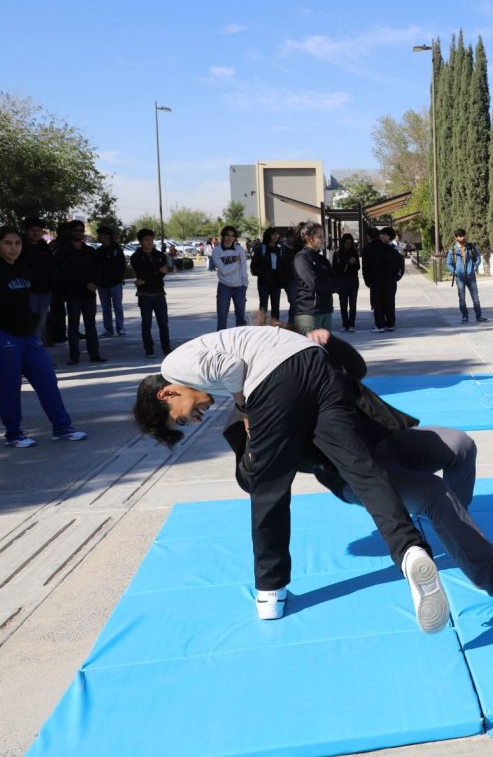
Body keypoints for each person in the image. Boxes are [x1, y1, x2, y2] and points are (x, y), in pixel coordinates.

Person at [132, 326, 451, 631]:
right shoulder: (202, 362)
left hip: (277, 375)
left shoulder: (173, 365)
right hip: (319, 365)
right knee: (362, 470)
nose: (194, 421)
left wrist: (245, 408)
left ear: (166, 393)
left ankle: (270, 591)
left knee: (268, 487)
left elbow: (232, 367)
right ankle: (410, 550)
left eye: (180, 420)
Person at [219, 334, 493, 611]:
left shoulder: (310, 361)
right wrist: (254, 439)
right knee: (433, 492)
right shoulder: (254, 405)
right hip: (359, 475)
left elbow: (356, 369)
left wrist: (331, 342)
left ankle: (455, 528)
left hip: (389, 440)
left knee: (461, 445)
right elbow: (253, 480)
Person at [0, 226, 87, 447]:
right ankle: (13, 434)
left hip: (27, 334)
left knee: (47, 380)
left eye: (17, 243)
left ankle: (62, 428)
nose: (14, 248)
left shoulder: (23, 268)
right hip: (1, 333)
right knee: (9, 385)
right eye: (8, 243)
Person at [55, 220, 105, 365]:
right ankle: (74, 355)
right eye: (75, 230)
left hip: (89, 294)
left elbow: (98, 269)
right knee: (73, 326)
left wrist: (95, 283)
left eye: (81, 231)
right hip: (72, 294)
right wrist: (85, 283)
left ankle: (94, 353)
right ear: (69, 232)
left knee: (91, 325)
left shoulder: (90, 251)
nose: (78, 233)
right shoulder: (63, 252)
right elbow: (64, 273)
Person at [130, 228, 172, 358]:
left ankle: (167, 348)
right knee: (146, 324)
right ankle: (149, 349)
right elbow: (142, 273)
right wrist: (157, 271)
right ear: (140, 241)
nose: (150, 242)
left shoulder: (160, 255)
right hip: (145, 295)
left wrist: (150, 276)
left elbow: (162, 273)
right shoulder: (136, 257)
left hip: (159, 293)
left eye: (151, 239)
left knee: (163, 324)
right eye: (146, 240)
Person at [293, 221, 335, 333]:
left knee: (326, 343)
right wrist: (329, 284)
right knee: (311, 344)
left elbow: (336, 281)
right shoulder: (302, 258)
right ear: (308, 238)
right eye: (320, 236)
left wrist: (331, 284)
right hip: (309, 312)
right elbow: (314, 284)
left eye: (323, 236)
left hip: (326, 308)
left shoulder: (322, 259)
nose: (324, 239)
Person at [20, 217, 56, 341]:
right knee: (29, 323)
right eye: (33, 230)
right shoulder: (21, 247)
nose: (36, 233)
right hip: (29, 291)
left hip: (45, 290)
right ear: (26, 230)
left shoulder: (44, 246)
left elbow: (51, 267)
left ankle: (36, 348)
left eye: (38, 230)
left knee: (40, 323)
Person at [363, 226, 404, 333]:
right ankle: (390, 324)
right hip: (389, 279)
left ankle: (380, 325)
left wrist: (367, 281)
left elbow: (365, 267)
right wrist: (397, 276)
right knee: (389, 302)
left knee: (377, 303)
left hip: (376, 280)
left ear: (368, 236)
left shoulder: (368, 249)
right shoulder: (387, 247)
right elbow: (399, 259)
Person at [209, 226, 249, 331]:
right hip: (224, 286)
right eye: (227, 235)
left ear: (235, 238)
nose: (229, 238)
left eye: (232, 236)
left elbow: (243, 268)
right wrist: (236, 263)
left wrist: (245, 284)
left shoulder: (239, 249)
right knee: (222, 317)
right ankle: (220, 338)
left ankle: (241, 338)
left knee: (241, 317)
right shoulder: (217, 251)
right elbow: (223, 270)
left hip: (239, 286)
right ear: (223, 236)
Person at [251, 227, 293, 322]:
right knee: (263, 306)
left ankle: (275, 325)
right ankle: (261, 326)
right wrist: (263, 274)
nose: (277, 236)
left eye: (277, 234)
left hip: (276, 281)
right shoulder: (261, 248)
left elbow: (282, 265)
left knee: (275, 305)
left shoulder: (279, 249)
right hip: (264, 281)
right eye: (274, 234)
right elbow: (254, 265)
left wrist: (282, 278)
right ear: (268, 236)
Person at [445, 228, 487, 324]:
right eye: (460, 236)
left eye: (463, 235)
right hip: (460, 278)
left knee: (475, 298)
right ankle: (465, 316)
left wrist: (474, 267)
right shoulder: (452, 250)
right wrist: (455, 272)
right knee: (462, 298)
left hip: (471, 277)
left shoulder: (471, 247)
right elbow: (449, 264)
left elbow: (478, 258)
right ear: (456, 237)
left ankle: (479, 316)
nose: (462, 238)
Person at [94, 225, 128, 338]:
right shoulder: (98, 251)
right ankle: (108, 329)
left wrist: (119, 278)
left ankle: (120, 328)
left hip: (115, 283)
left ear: (108, 236)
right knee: (105, 308)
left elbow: (122, 266)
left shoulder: (116, 249)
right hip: (102, 284)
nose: (99, 237)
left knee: (117, 306)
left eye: (101, 234)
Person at [331, 232, 361, 332]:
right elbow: (335, 268)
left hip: (353, 280)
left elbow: (358, 267)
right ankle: (345, 323)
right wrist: (347, 263)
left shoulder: (354, 253)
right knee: (343, 304)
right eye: (346, 242)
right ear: (343, 243)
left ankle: (352, 324)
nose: (348, 244)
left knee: (353, 303)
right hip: (342, 281)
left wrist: (354, 263)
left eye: (350, 243)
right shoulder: (337, 254)